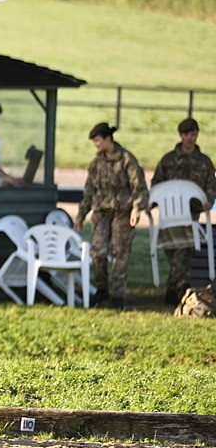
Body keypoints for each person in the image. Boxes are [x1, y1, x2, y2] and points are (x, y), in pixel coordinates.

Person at [74, 122, 149, 309]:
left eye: (98, 140)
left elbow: (138, 186)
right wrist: (80, 216)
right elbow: (88, 190)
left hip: (122, 213)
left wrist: (137, 209)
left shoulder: (126, 160)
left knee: (119, 254)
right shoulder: (96, 164)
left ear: (108, 139)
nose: (96, 145)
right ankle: (101, 290)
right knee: (98, 253)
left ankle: (117, 296)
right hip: (101, 213)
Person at [151, 117, 216, 306]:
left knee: (182, 250)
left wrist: (208, 202)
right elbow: (156, 185)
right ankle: (176, 288)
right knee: (177, 252)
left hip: (191, 219)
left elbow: (211, 187)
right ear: (180, 135)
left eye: (193, 134)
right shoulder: (168, 160)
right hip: (168, 220)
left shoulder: (204, 163)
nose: (190, 138)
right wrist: (152, 204)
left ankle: (180, 289)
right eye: (186, 134)